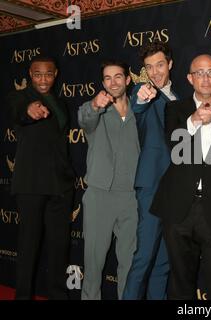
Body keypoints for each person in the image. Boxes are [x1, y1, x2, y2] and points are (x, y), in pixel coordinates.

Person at [150, 54, 211, 299]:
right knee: (180, 283)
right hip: (178, 207)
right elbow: (174, 147)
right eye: (199, 73)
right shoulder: (175, 109)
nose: (205, 78)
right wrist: (193, 121)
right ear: (190, 78)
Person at [7, 56, 74, 300]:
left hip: (60, 185)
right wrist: (29, 110)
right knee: (28, 246)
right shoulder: (19, 97)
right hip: (31, 184)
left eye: (47, 74)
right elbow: (19, 111)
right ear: (30, 74)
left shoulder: (62, 103)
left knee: (59, 247)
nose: (43, 79)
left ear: (55, 74)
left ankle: (57, 295)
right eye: (37, 74)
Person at [78, 60, 141, 300]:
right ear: (102, 82)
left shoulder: (140, 108)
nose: (113, 82)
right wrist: (95, 104)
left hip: (131, 197)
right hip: (99, 196)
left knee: (129, 262)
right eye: (107, 78)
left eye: (118, 77)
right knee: (93, 264)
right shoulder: (94, 108)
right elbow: (85, 119)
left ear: (127, 80)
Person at [123, 41, 178, 300]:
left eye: (159, 65)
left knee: (164, 262)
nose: (155, 72)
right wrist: (142, 98)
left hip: (177, 189)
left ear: (170, 64)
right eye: (148, 67)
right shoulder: (143, 92)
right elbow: (137, 107)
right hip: (152, 186)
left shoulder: (183, 98)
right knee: (143, 257)